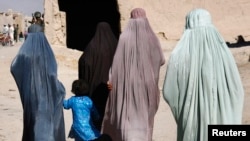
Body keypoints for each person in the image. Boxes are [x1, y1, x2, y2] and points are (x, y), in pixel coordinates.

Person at [162, 8, 244, 141]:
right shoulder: (222, 52)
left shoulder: (178, 56)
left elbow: (168, 92)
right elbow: (237, 91)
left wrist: (185, 112)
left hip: (191, 128)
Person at [102, 8, 165, 141]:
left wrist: (112, 80)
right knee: (144, 117)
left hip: (126, 84)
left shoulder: (124, 37)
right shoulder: (151, 37)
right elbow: (161, 60)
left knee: (126, 116)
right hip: (147, 85)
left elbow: (116, 64)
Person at [10, 18, 66, 141]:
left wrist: (25, 82)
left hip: (30, 96)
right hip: (47, 96)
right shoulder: (47, 53)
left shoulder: (24, 54)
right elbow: (52, 74)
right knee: (46, 127)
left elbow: (14, 67)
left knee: (32, 124)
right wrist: (59, 89)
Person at [78, 22, 118, 131]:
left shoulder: (92, 46)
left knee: (96, 117)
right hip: (112, 88)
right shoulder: (116, 45)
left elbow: (84, 61)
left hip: (95, 88)